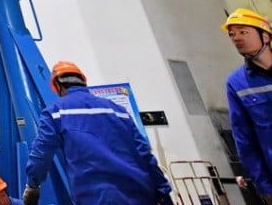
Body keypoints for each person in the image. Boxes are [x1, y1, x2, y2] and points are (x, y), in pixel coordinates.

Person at [22, 61, 173, 205]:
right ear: (83, 82)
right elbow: (145, 154)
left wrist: (32, 185)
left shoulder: (56, 112)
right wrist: (163, 191)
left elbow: (41, 153)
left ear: (58, 86)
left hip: (98, 197)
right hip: (141, 193)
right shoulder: (118, 110)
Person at [224, 8, 272, 203]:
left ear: (265, 37)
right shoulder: (236, 83)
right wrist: (265, 187)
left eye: (243, 32)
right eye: (232, 34)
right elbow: (244, 140)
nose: (237, 38)